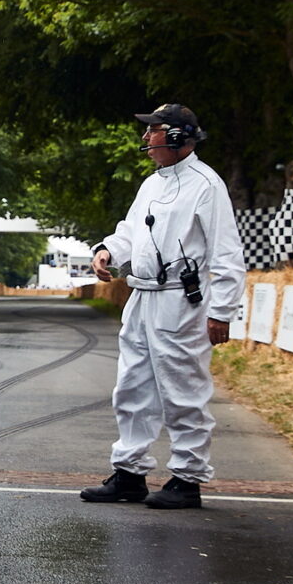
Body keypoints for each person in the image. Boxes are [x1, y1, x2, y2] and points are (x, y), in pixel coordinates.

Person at [81, 102, 246, 512]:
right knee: (132, 386)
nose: (145, 137)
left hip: (180, 301)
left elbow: (227, 253)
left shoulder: (206, 185)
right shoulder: (151, 184)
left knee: (183, 387)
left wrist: (222, 311)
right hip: (142, 296)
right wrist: (108, 251)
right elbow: (131, 231)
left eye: (152, 130)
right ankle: (130, 472)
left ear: (176, 136)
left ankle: (187, 478)